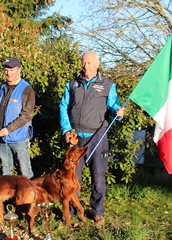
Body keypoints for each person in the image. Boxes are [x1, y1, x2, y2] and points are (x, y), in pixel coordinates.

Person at [59, 51, 125, 224]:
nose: (85, 66)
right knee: (73, 178)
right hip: (75, 138)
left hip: (98, 136)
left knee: (98, 176)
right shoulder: (72, 84)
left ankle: (97, 211)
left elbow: (113, 106)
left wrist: (118, 113)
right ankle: (72, 210)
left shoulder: (107, 85)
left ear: (97, 64)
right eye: (83, 62)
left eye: (89, 63)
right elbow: (64, 106)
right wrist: (66, 129)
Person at [0, 57, 35, 179]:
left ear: (19, 70)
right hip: (2, 137)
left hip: (19, 138)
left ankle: (33, 197)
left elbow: (26, 115)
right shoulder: (3, 87)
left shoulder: (27, 89)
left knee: (25, 171)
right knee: (6, 172)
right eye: (6, 70)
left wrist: (9, 129)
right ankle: (9, 197)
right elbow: (1, 108)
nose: (8, 73)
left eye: (12, 70)